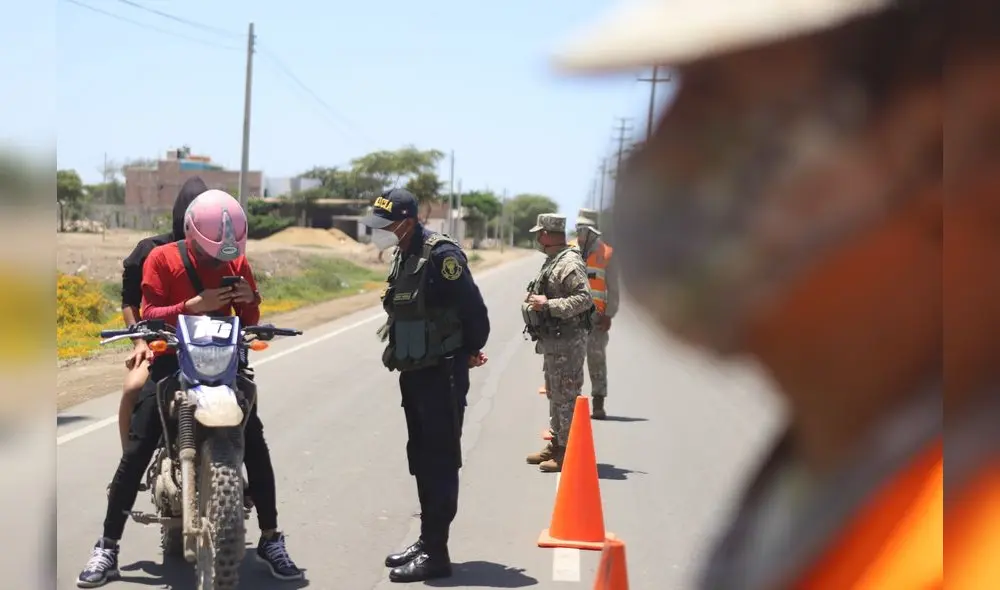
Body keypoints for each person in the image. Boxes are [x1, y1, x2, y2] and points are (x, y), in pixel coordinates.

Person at [553, 0, 954, 587]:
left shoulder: (961, 530)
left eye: (718, 99)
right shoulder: (839, 460)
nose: (659, 155)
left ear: (935, 145)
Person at [76, 189, 303, 588]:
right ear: (192, 234)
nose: (220, 260)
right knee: (138, 445)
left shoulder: (237, 261)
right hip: (172, 361)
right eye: (213, 251)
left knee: (256, 443)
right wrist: (194, 305)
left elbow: (249, 317)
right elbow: (149, 312)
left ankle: (270, 539)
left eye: (226, 253)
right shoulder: (160, 259)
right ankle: (108, 546)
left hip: (224, 365)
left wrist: (249, 300)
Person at [363, 188, 490, 583]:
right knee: (420, 455)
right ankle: (427, 539)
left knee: (439, 459)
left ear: (407, 220)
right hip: (416, 371)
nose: (381, 231)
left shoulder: (441, 255)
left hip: (443, 372)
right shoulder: (405, 251)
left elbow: (473, 309)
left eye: (387, 224)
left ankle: (438, 554)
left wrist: (469, 349)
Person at [116, 176, 205, 450]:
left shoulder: (218, 253)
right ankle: (128, 465)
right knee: (132, 390)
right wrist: (140, 341)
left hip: (206, 347)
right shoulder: (150, 250)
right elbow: (130, 303)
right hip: (160, 344)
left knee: (243, 392)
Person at [523, 213, 592, 472]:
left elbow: (584, 299)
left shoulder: (569, 263)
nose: (537, 238)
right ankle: (557, 444)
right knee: (556, 395)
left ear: (546, 235)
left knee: (566, 396)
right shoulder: (554, 260)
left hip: (568, 342)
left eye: (539, 233)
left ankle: (567, 452)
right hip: (555, 341)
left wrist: (548, 304)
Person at [574, 208, 619, 419]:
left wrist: (609, 314)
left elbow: (614, 288)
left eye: (583, 228)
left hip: (596, 319)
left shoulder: (607, 254)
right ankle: (571, 404)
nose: (579, 232)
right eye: (577, 228)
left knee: (596, 359)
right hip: (571, 317)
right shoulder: (569, 251)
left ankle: (598, 403)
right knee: (571, 361)